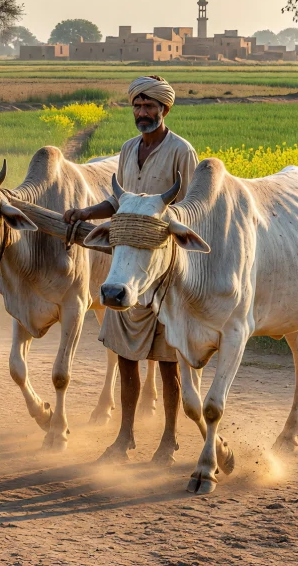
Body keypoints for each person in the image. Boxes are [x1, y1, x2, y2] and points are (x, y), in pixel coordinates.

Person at [64, 75, 198, 465]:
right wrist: (85, 213)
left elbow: (190, 208)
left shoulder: (181, 152)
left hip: (163, 270)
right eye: (137, 107)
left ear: (164, 109)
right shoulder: (127, 149)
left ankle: (169, 440)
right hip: (125, 267)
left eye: (149, 107)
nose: (142, 113)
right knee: (125, 355)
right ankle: (124, 438)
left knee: (169, 361)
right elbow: (117, 200)